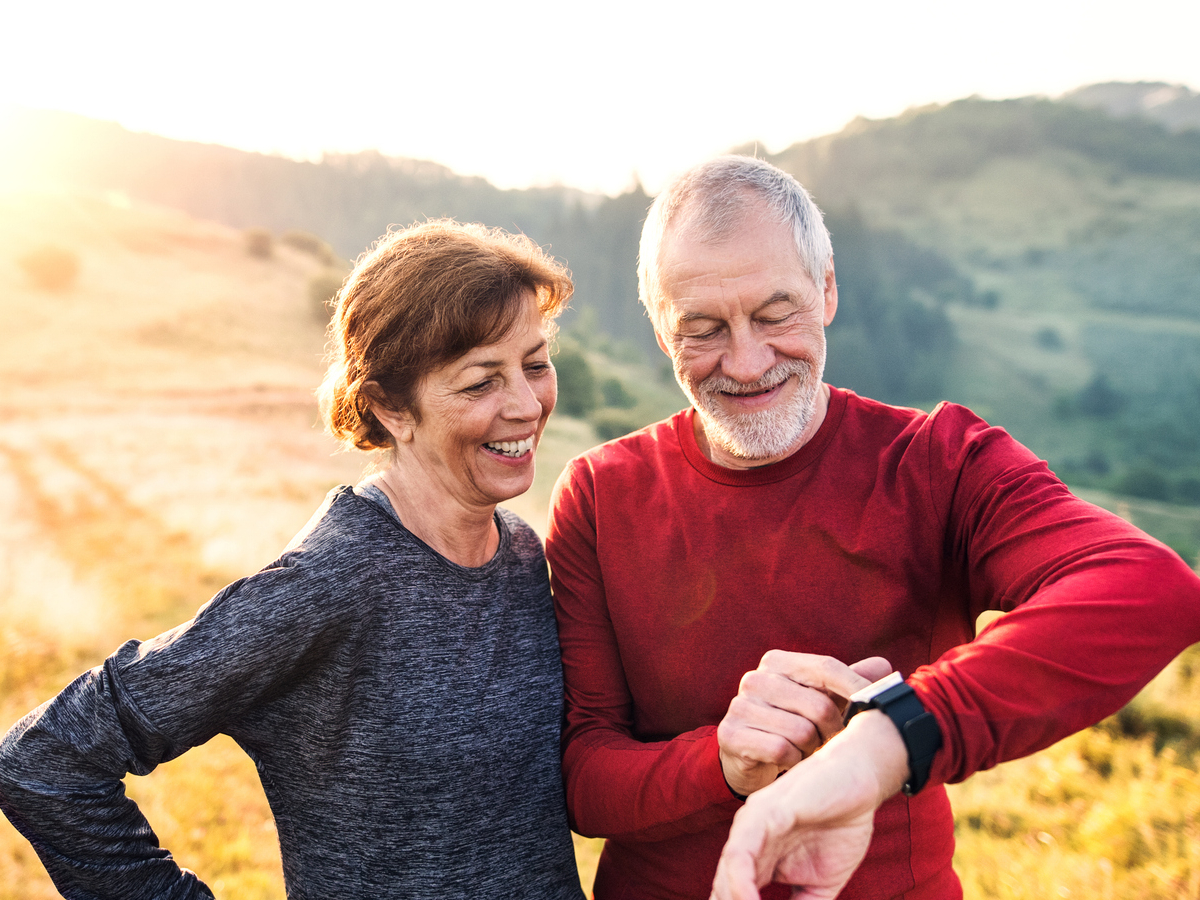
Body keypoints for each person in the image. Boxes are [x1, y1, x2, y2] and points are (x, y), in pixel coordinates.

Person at [545, 156, 1200, 900]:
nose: (747, 360)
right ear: (662, 334)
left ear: (826, 291)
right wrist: (722, 761)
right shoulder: (601, 493)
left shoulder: (938, 463)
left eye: (774, 313)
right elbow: (586, 777)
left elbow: (1150, 590)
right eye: (702, 329)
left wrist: (891, 737)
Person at [0, 220, 586, 900]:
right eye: (481, 382)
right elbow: (46, 762)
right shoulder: (330, 583)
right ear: (389, 408)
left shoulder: (518, 551)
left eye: (535, 364)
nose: (525, 404)